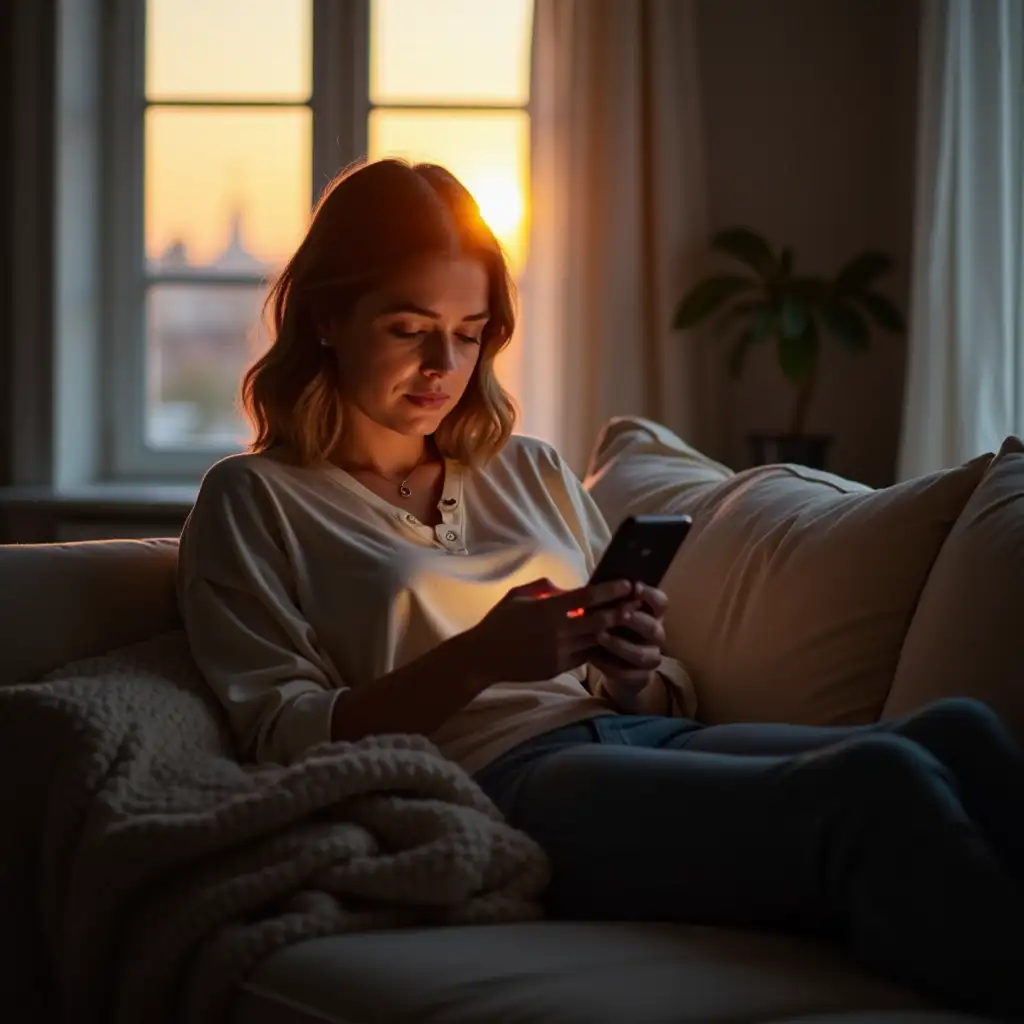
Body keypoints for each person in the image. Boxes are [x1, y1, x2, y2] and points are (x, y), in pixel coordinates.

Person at [178, 158, 1021, 1018]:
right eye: (409, 328)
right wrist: (480, 658)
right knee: (878, 785)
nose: (443, 364)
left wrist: (630, 668)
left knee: (956, 734)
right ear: (327, 315)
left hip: (629, 731)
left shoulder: (530, 471)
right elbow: (283, 741)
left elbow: (657, 689)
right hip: (499, 783)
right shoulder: (256, 499)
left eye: (469, 333)